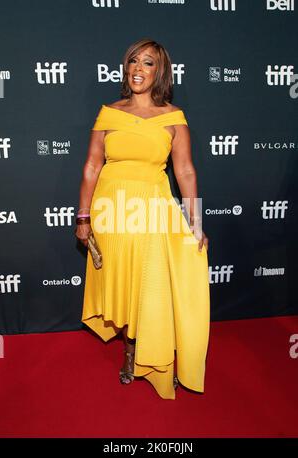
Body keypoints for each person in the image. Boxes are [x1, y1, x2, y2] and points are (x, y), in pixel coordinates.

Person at [75, 38, 210, 400]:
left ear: (159, 71)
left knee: (153, 287)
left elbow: (185, 171)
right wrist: (84, 216)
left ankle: (160, 355)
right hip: (113, 214)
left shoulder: (174, 118)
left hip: (152, 211)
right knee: (123, 285)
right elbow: (91, 165)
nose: (138, 68)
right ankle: (131, 350)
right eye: (133, 61)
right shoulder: (108, 113)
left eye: (148, 63)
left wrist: (195, 223)